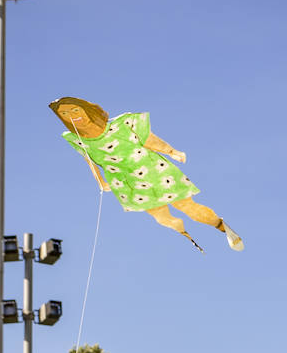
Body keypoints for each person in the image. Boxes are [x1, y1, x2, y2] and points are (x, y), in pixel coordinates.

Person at [51, 97, 243, 252]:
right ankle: (185, 234)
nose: (71, 115)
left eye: (75, 110)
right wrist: (100, 181)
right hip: (128, 183)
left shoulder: (123, 123)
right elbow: (89, 159)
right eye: (64, 113)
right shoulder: (74, 139)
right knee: (163, 219)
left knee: (188, 207)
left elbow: (147, 138)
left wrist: (172, 151)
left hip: (153, 171)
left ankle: (223, 227)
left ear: (86, 110)